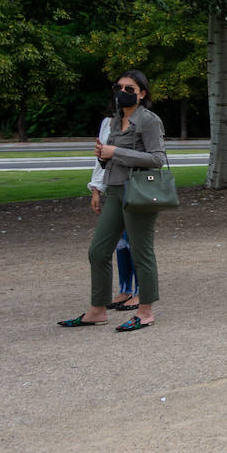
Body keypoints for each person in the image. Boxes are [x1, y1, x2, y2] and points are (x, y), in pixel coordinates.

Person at [60, 71, 166, 331]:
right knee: (98, 251)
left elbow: (156, 158)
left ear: (142, 93)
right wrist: (103, 157)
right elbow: (112, 158)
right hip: (115, 191)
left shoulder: (149, 120)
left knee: (141, 252)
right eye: (119, 87)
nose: (123, 92)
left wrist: (115, 151)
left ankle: (146, 311)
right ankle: (97, 310)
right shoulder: (115, 120)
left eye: (130, 88)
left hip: (140, 190)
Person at [88, 103, 138, 312]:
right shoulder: (108, 123)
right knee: (120, 243)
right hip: (113, 188)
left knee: (136, 241)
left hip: (135, 186)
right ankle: (125, 289)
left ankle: (140, 292)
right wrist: (96, 189)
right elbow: (100, 157)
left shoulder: (142, 121)